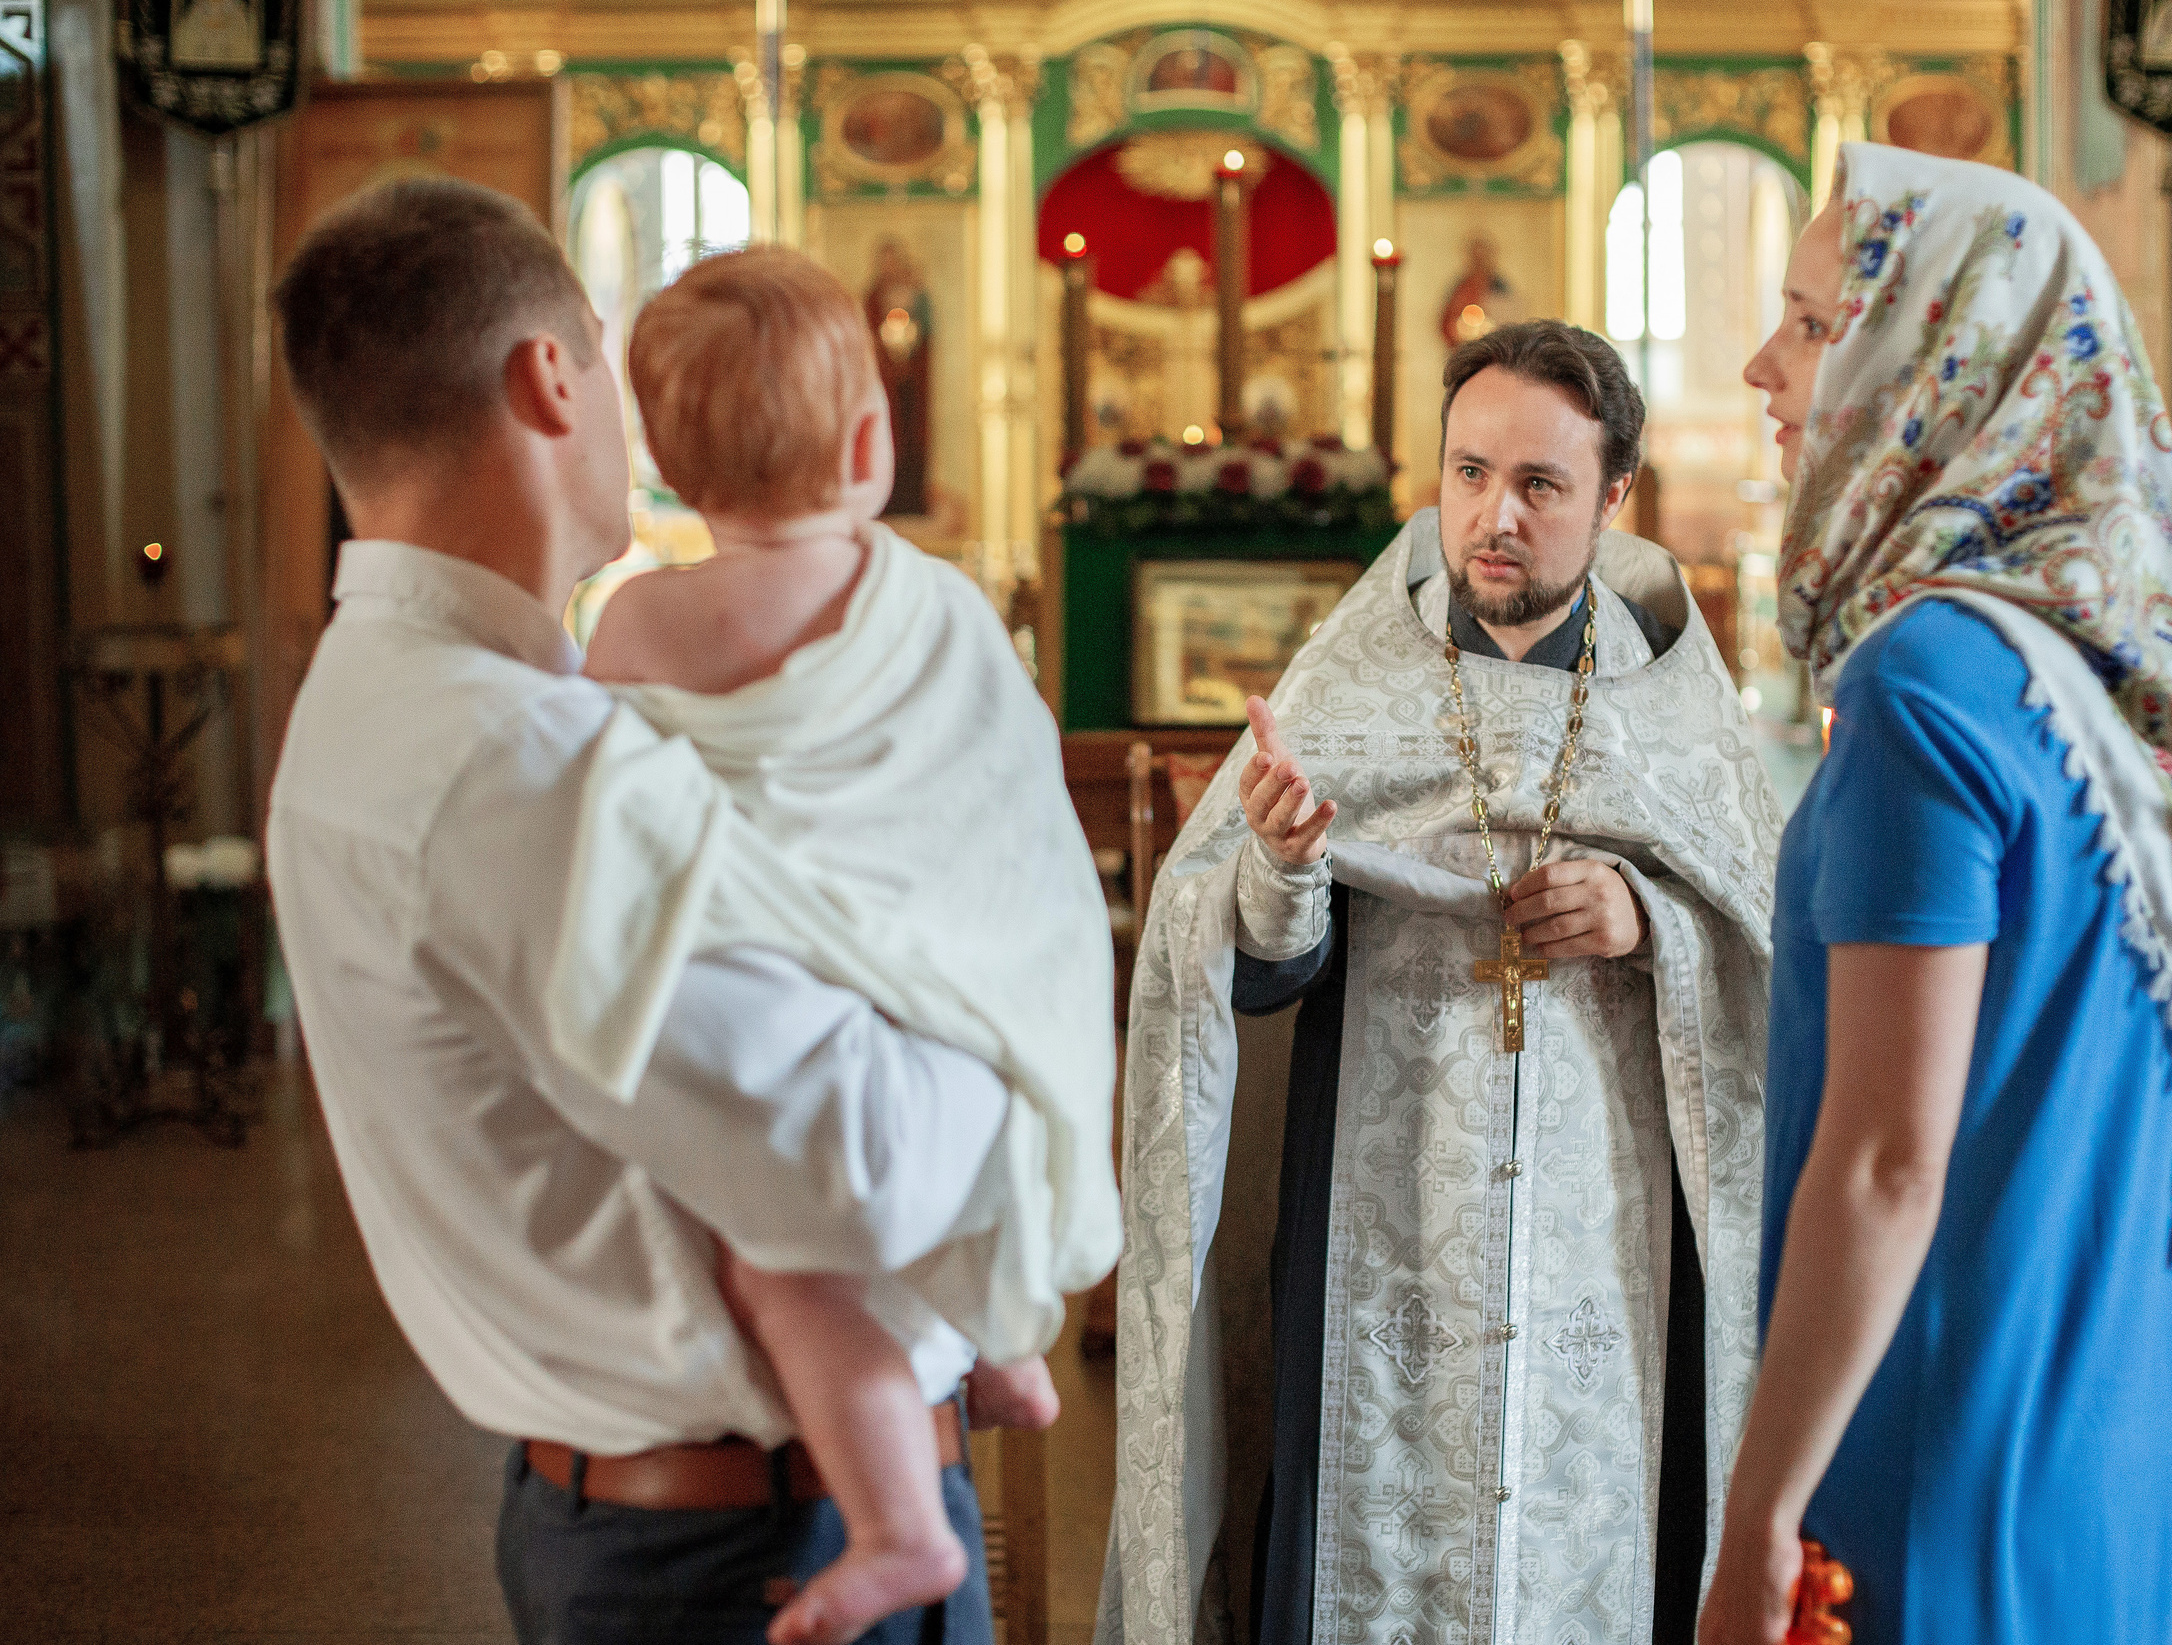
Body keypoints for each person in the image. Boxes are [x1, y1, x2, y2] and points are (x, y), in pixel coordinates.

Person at [265, 177, 1018, 1645]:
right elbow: (860, 1160)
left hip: (670, 1523)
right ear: (552, 376)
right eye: (605, 358)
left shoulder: (391, 703)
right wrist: (1023, 1024)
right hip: (746, 1553)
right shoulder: (512, 760)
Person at [1098, 319, 1782, 1645]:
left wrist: (1647, 915)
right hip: (1382, 1218)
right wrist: (1288, 862)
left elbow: (1768, 940)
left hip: (1610, 1241)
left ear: (1614, 497)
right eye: (1468, 473)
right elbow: (1245, 960)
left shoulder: (1675, 707)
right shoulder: (1354, 684)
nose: (1494, 516)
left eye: (1539, 483)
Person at [1699, 145, 2172, 1645]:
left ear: (1947, 356)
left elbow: (1892, 1157)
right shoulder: (2097, 693)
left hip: (1943, 1416)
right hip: (2104, 1421)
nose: (1765, 364)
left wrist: (1759, 1511)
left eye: (1815, 321)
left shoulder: (1922, 687)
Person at [558, 244, 1119, 1643]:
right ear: (873, 440)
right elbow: (1013, 815)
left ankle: (896, 1523)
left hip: (788, 1019)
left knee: (778, 1245)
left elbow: (597, 820)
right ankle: (999, 1342)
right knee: (952, 1075)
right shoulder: (936, 607)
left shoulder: (637, 618)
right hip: (953, 1005)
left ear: (672, 472)